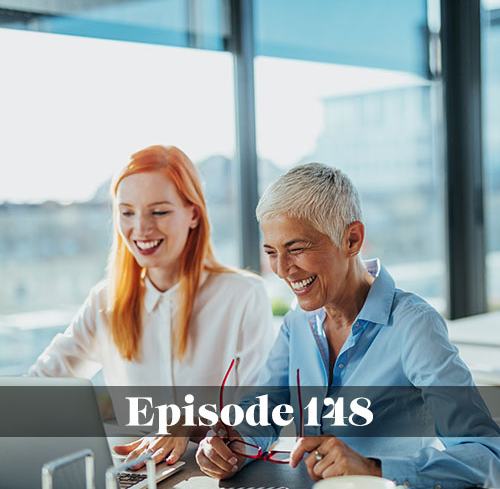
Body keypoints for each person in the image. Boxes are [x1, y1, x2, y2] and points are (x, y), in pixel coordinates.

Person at [196, 162, 500, 488]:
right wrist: (233, 444)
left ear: (352, 240)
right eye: (271, 251)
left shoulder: (414, 326)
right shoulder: (297, 323)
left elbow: (488, 454)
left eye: (296, 248)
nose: (282, 269)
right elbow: (266, 408)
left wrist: (374, 468)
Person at [29, 144, 274, 467]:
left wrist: (190, 421)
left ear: (193, 214)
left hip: (211, 476)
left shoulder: (243, 295)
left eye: (158, 211)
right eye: (127, 212)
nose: (141, 228)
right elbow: (39, 385)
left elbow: (261, 413)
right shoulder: (105, 300)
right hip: (133, 473)